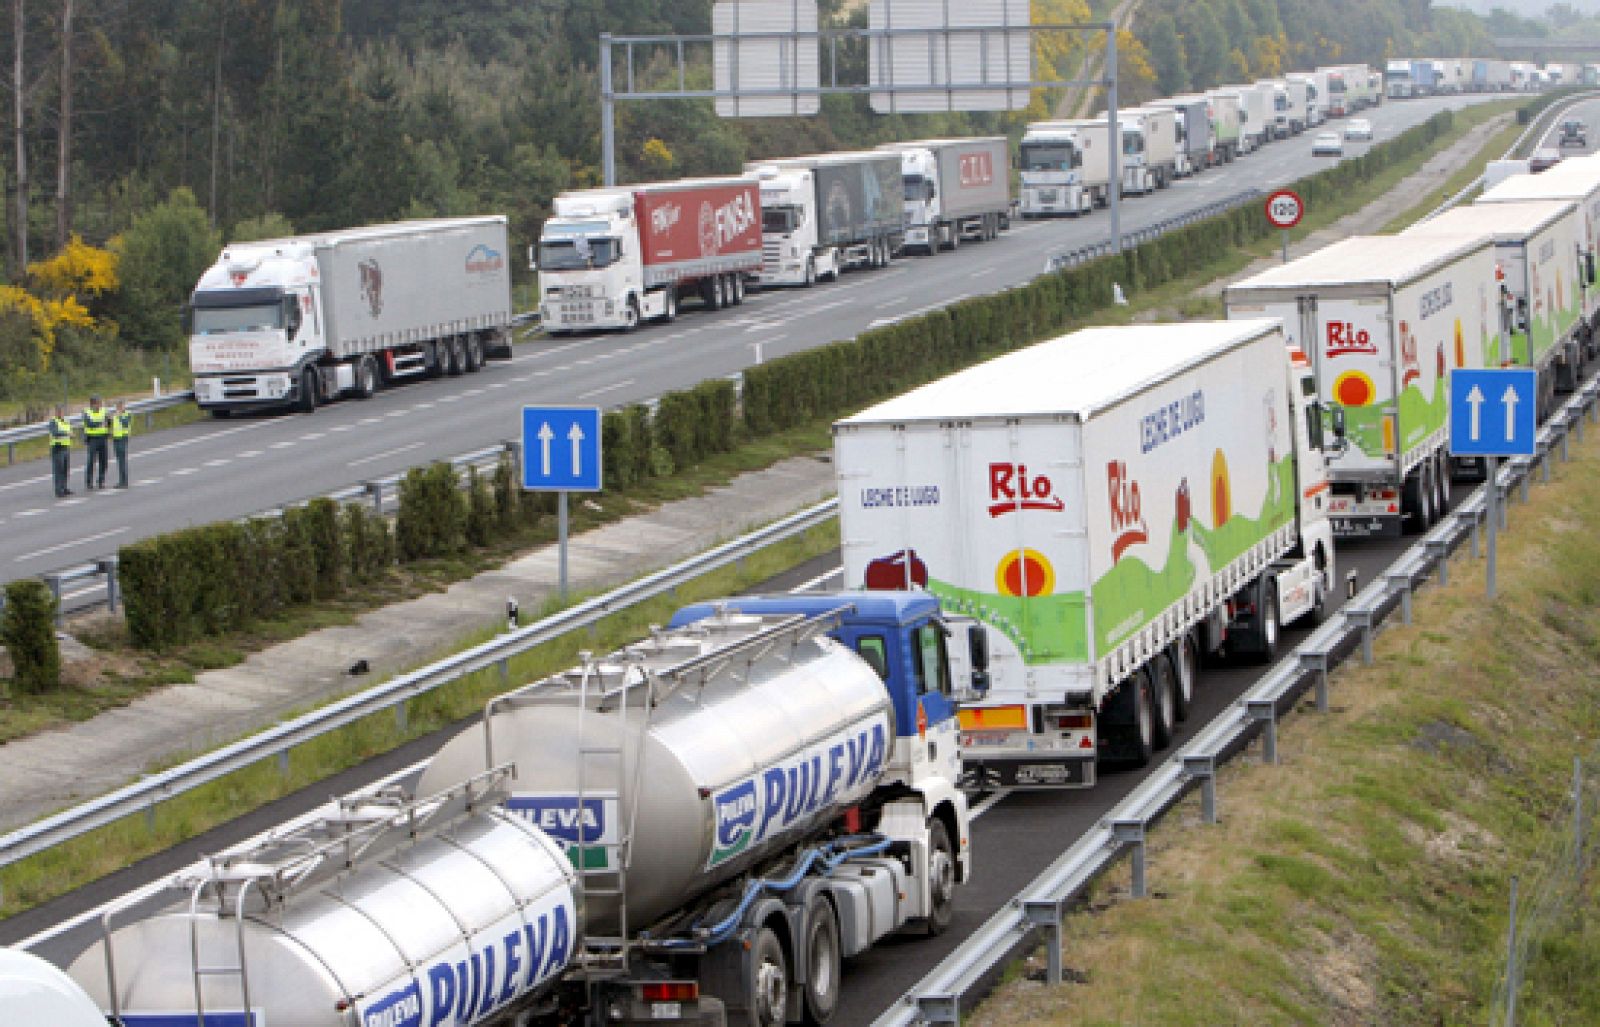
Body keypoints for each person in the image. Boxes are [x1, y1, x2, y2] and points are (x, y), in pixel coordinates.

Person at [82, 394, 109, 490]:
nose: (99, 405)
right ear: (92, 404)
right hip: (92, 439)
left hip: (103, 438)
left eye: (100, 403)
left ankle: (101, 480)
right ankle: (89, 482)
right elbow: (90, 424)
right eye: (97, 403)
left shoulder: (103, 411)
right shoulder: (87, 412)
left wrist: (107, 423)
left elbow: (108, 421)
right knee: (91, 461)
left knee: (104, 461)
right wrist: (100, 424)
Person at [48, 404, 73, 497]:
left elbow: (69, 431)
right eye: (59, 411)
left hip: (65, 446)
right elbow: (55, 433)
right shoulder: (53, 421)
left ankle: (64, 487)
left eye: (62, 411)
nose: (61, 413)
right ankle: (58, 490)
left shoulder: (65, 421)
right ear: (56, 412)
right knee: (59, 469)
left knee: (65, 469)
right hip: (57, 447)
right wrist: (67, 433)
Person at [111, 399, 133, 489]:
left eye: (121, 406)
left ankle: (124, 481)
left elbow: (125, 424)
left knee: (122, 460)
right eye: (118, 407)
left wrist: (119, 416)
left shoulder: (127, 414)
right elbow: (112, 425)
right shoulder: (115, 415)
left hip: (123, 439)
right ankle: (121, 480)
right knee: (119, 460)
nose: (119, 408)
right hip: (116, 438)